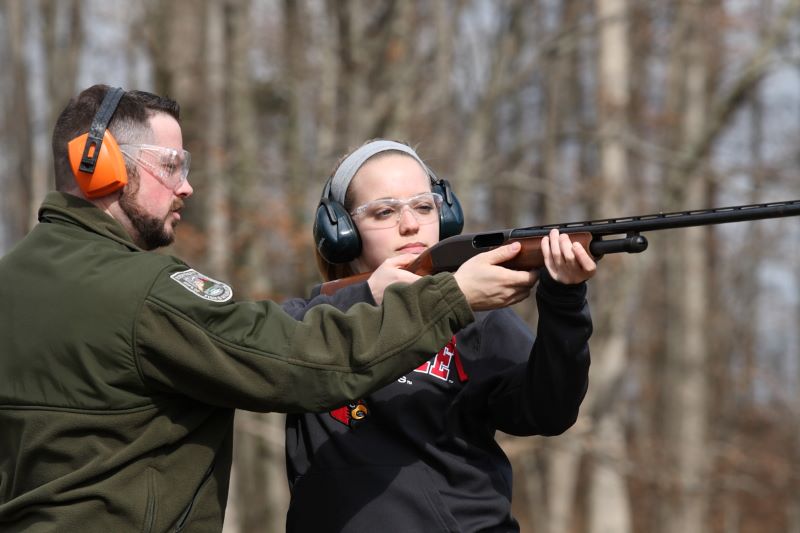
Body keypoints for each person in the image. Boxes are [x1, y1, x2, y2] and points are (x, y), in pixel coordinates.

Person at [0, 87, 539, 532]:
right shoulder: (147, 293)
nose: (186, 185)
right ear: (100, 168)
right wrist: (451, 297)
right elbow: (300, 363)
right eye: (171, 164)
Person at [282, 139, 597, 532]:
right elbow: (275, 348)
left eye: (424, 205)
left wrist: (564, 301)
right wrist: (369, 296)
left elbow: (549, 412)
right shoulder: (311, 325)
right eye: (384, 211)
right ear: (341, 231)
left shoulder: (477, 318)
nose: (410, 224)